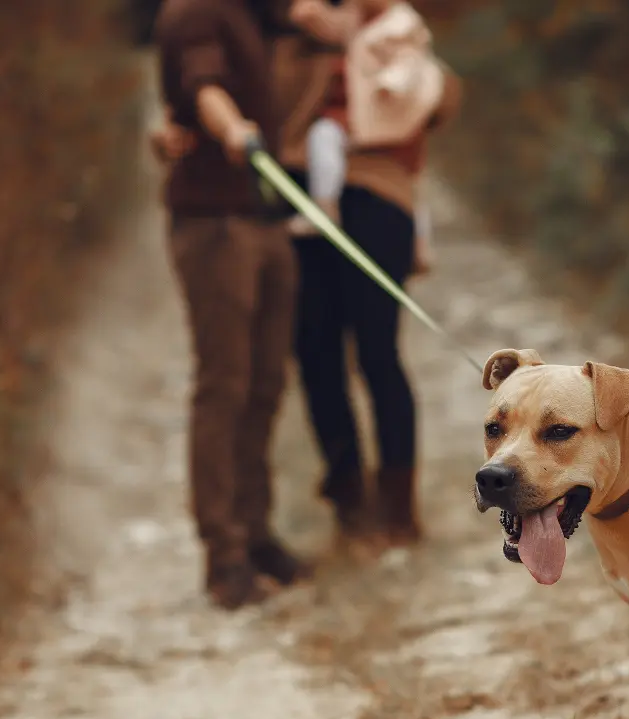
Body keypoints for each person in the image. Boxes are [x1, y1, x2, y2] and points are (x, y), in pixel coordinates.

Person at [152, 1, 462, 559]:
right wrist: (183, 125)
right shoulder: (273, 31)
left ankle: (397, 506)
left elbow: (438, 95)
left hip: (375, 194)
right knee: (315, 357)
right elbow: (217, 90)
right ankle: (348, 500)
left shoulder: (386, 28)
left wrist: (373, 66)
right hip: (291, 202)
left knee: (377, 350)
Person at [153, 0, 314, 609]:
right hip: (215, 224)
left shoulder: (253, 12)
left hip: (261, 218)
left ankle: (254, 531)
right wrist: (232, 131)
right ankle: (223, 556)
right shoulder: (196, 11)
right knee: (225, 384)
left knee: (267, 381)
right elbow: (204, 85)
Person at [282, 0, 443, 275]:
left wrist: (392, 85)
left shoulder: (396, 23)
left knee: (412, 182)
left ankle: (419, 243)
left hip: (378, 156)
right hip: (325, 158)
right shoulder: (350, 21)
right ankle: (325, 206)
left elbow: (414, 64)